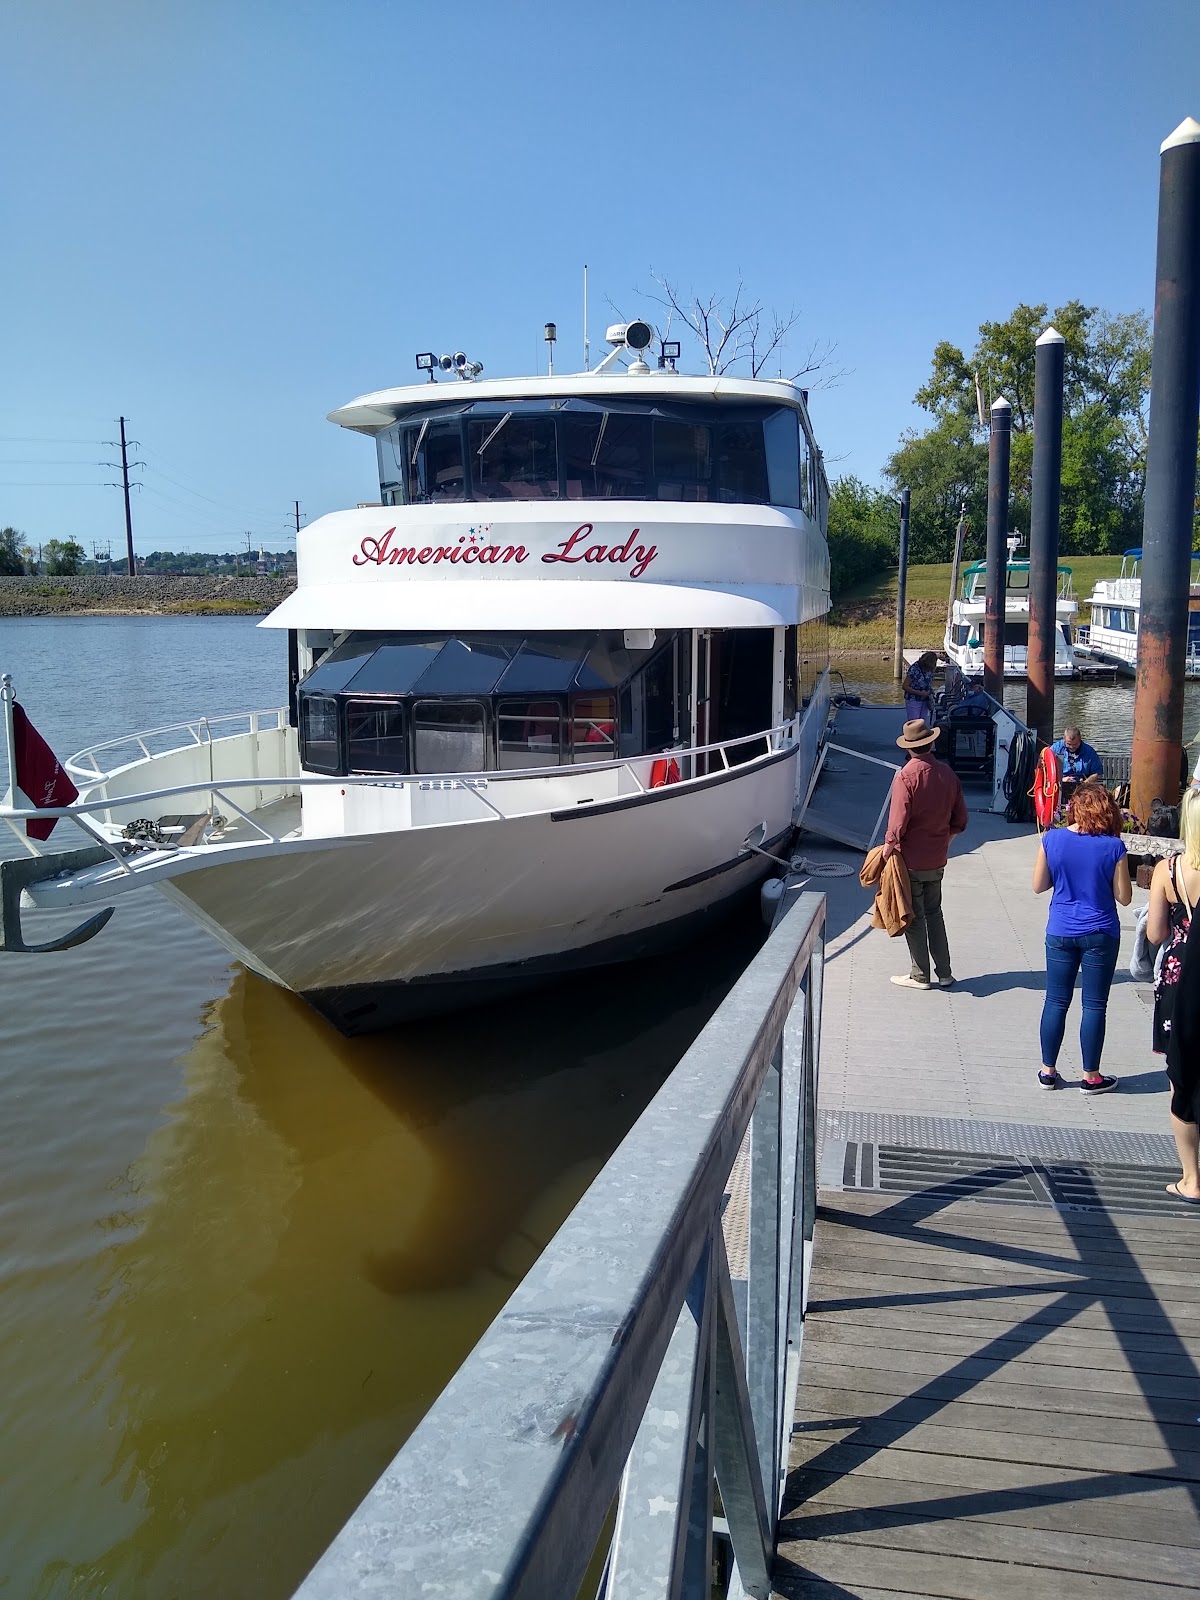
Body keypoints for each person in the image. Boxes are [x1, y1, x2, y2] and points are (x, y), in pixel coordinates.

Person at [1032, 783, 1132, 1092]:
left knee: (1056, 1000)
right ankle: (1091, 1076)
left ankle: (1048, 1071)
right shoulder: (1113, 847)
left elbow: (1038, 885)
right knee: (1094, 1005)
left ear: (1074, 808)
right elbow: (1125, 897)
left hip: (1061, 929)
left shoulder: (1052, 839)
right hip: (1101, 931)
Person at [883, 718, 967, 990]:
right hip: (937, 858)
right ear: (931, 743)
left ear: (909, 748)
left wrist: (886, 851)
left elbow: (897, 823)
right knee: (935, 913)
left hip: (911, 859)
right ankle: (944, 972)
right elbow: (960, 821)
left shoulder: (905, 776)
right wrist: (945, 841)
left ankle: (920, 975)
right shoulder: (948, 774)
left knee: (915, 916)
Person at [1146, 790, 1200, 1201]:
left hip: (1181, 978)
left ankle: (1191, 1178)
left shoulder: (1168, 870)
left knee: (1179, 1076)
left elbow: (1155, 934)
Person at [1050, 726, 1103, 799]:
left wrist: (1085, 783)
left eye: (1075, 744)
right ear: (1064, 739)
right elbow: (1046, 769)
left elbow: (1097, 773)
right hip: (1059, 785)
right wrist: (1060, 779)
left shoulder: (1089, 752)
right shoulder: (1055, 749)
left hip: (1082, 787)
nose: (1072, 747)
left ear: (1080, 740)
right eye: (1068, 744)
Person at [901, 651, 938, 726]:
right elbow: (905, 686)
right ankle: (912, 736)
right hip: (913, 699)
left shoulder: (929, 669)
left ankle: (921, 736)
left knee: (923, 722)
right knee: (914, 723)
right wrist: (920, 693)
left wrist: (930, 690)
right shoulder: (914, 669)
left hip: (925, 699)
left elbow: (926, 681)